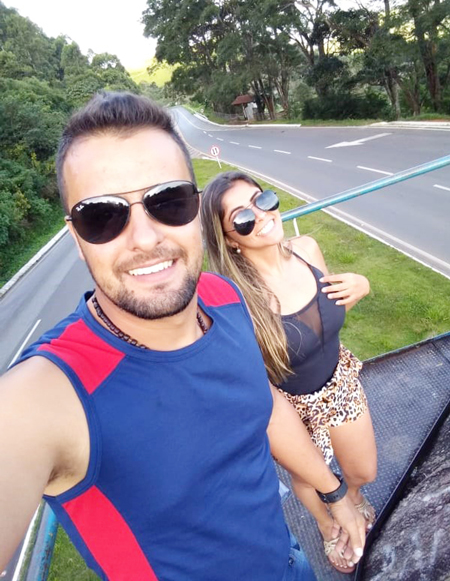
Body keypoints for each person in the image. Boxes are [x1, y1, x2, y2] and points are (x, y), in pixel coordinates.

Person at [0, 92, 366, 581]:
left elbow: (264, 405)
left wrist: (334, 494)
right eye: (101, 216)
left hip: (289, 561)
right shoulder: (46, 396)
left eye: (168, 201)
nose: (145, 238)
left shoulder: (223, 298)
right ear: (75, 235)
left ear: (195, 209)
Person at [201, 170, 378, 574]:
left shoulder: (307, 249)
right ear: (230, 238)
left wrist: (361, 285)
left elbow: (324, 319)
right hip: (290, 407)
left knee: (363, 470)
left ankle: (351, 498)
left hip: (339, 383)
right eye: (242, 217)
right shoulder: (237, 298)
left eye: (261, 200)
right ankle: (326, 525)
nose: (261, 216)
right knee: (310, 477)